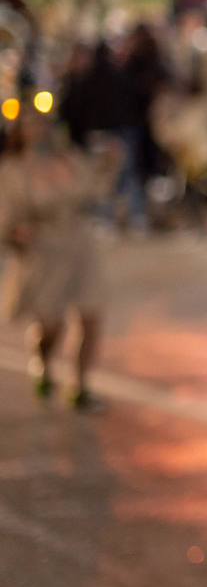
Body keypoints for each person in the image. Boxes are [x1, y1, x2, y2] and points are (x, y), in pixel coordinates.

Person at [0, 100, 118, 409]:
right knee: (52, 324)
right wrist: (15, 232)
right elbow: (5, 218)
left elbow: (96, 191)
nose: (37, 131)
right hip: (43, 251)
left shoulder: (69, 159)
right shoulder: (13, 170)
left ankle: (80, 386)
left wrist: (109, 164)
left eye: (41, 124)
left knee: (91, 315)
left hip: (78, 244)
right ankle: (43, 364)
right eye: (30, 125)